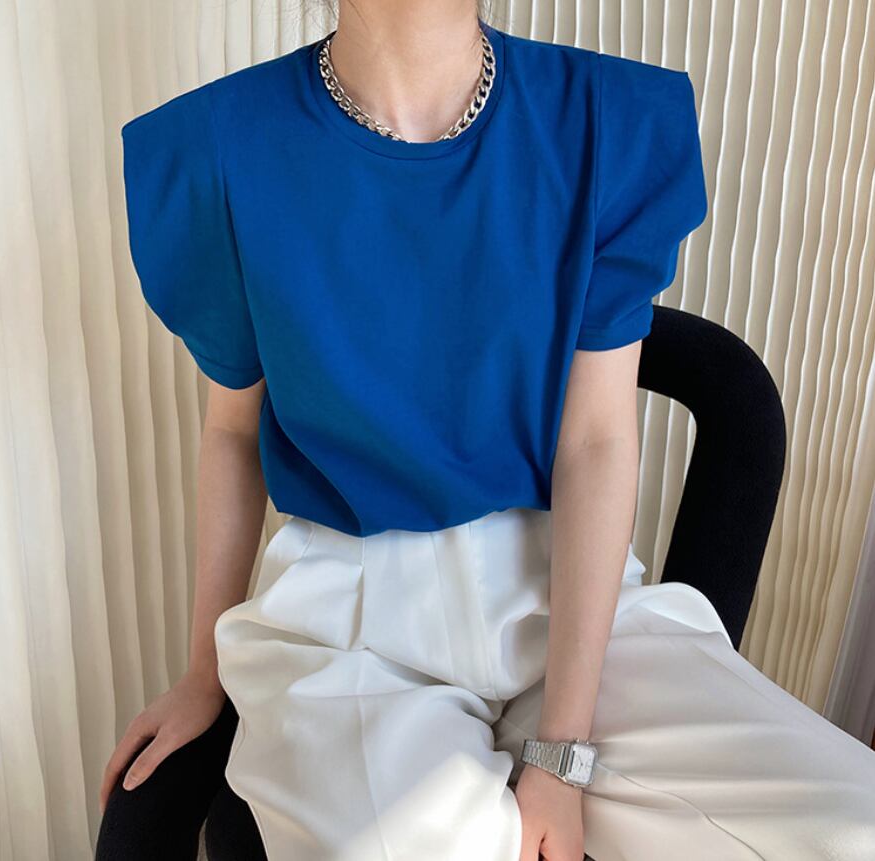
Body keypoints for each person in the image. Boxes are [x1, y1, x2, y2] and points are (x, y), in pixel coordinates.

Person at [98, 2, 875, 859]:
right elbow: (233, 432)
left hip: (569, 593)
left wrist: (562, 752)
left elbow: (596, 441)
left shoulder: (603, 125)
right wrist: (203, 672)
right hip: (349, 620)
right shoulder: (220, 149)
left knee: (847, 820)